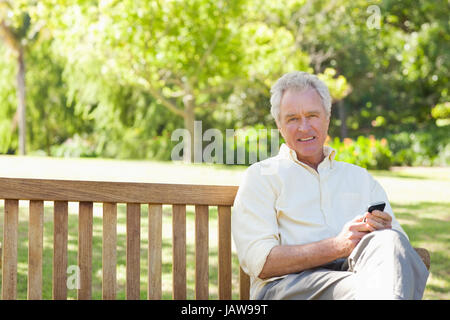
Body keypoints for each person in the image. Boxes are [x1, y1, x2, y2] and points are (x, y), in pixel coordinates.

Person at [231, 71, 429, 300]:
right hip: (287, 287)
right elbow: (261, 263)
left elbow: (400, 252)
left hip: (360, 278)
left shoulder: (360, 178)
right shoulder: (261, 177)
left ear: (327, 117)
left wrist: (381, 232)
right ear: (279, 125)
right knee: (372, 288)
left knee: (389, 242)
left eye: (312, 115)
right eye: (293, 118)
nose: (304, 127)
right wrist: (337, 246)